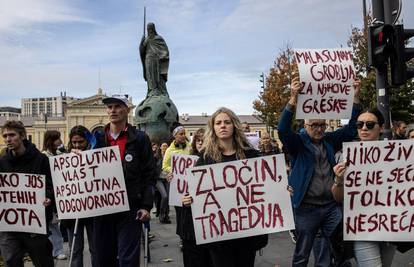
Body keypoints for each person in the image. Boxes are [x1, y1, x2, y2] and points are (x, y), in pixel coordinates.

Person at [277, 77, 361, 266]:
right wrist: (293, 100)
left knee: (341, 246)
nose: (318, 129)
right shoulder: (297, 143)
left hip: (331, 207)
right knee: (302, 254)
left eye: (321, 124)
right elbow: (282, 129)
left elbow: (350, 130)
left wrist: (355, 98)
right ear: (305, 126)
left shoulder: (330, 140)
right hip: (306, 209)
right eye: (313, 125)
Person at [182, 108, 268, 267]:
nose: (223, 126)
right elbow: (196, 192)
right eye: (218, 123)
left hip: (246, 234)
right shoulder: (205, 159)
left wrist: (281, 191)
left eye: (227, 122)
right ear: (213, 128)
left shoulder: (251, 155)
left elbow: (265, 186)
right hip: (219, 237)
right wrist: (188, 200)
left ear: (234, 126)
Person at [93, 94, 155, 267]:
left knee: (128, 259)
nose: (113, 110)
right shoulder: (97, 139)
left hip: (130, 206)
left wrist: (146, 205)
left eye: (117, 106)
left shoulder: (140, 138)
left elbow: (149, 173)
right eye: (110, 107)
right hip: (103, 208)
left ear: (127, 110)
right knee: (104, 258)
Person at [332, 109, 397, 266]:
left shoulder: (397, 154)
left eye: (369, 124)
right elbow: (339, 198)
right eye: (360, 124)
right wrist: (339, 180)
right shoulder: (345, 156)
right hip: (363, 228)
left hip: (392, 226)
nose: (364, 128)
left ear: (381, 128)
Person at [0, 120, 54, 267]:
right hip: (9, 224)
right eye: (5, 136)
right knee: (11, 261)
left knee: (43, 262)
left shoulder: (41, 159)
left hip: (34, 224)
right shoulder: (2, 162)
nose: (8, 139)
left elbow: (50, 185)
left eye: (12, 135)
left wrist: (48, 197)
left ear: (23, 136)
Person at [63, 125, 96, 267]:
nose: (77, 145)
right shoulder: (63, 159)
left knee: (96, 249)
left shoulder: (97, 157)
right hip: (73, 211)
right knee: (75, 250)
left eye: (80, 142)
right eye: (74, 142)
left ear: (87, 141)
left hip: (94, 210)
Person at [180, 128, 211, 267]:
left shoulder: (213, 160)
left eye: (203, 141)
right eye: (198, 141)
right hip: (190, 220)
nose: (200, 144)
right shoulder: (187, 160)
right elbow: (179, 189)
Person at [162, 123, 191, 249]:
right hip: (177, 187)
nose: (184, 136)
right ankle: (182, 238)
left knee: (189, 212)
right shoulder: (169, 150)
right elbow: (165, 166)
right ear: (175, 135)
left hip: (190, 185)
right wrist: (173, 170)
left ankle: (190, 236)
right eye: (181, 134)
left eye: (184, 133)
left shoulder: (190, 147)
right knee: (180, 214)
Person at [42, 130, 67, 261]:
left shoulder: (60, 153)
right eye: (57, 138)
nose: (60, 141)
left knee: (55, 223)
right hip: (50, 193)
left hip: (60, 193)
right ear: (51, 140)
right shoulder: (44, 156)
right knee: (52, 224)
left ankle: (56, 249)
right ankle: (56, 250)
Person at [139, 22, 169, 97]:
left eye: (151, 29)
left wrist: (162, 56)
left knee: (156, 75)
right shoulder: (146, 39)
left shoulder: (158, 38)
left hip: (156, 60)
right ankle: (151, 90)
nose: (149, 31)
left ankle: (157, 90)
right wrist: (141, 42)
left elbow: (165, 50)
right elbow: (142, 50)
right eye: (148, 29)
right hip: (148, 59)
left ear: (153, 29)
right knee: (149, 75)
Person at [153, 143, 170, 223]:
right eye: (163, 146)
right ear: (160, 147)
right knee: (165, 196)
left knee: (169, 198)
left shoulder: (170, 156)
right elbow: (153, 168)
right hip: (158, 180)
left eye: (166, 146)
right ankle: (161, 214)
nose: (165, 147)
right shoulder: (156, 157)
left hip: (167, 179)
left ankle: (166, 215)